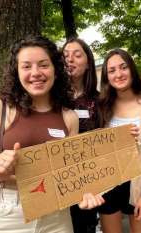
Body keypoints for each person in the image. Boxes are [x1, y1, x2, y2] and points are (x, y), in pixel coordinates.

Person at [0, 35, 104, 233]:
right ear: (17, 72)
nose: (36, 73)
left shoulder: (69, 117)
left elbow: (72, 171)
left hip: (57, 216)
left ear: (56, 70)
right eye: (26, 66)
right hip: (5, 214)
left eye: (43, 65)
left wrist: (82, 193)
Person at [97, 48, 141, 233]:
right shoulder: (102, 106)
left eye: (123, 67)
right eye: (112, 70)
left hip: (139, 181)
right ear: (107, 76)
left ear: (132, 69)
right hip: (108, 181)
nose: (118, 74)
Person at [62, 37, 100, 233]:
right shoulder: (52, 97)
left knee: (84, 225)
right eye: (66, 55)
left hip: (86, 177)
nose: (70, 59)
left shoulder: (99, 100)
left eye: (77, 55)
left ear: (88, 64)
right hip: (57, 175)